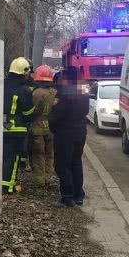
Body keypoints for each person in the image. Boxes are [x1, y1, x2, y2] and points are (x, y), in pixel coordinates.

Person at [48, 70, 89, 207]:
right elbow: (86, 111)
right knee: (76, 162)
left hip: (65, 133)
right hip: (80, 132)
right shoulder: (83, 91)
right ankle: (79, 195)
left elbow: (57, 115)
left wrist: (51, 121)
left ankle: (67, 197)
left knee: (63, 165)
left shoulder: (64, 94)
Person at [3, 57, 35, 194]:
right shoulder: (24, 90)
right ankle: (8, 186)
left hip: (2, 127)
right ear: (24, 72)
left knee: (3, 156)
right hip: (17, 129)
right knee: (14, 158)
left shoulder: (2, 84)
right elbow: (29, 112)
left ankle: (2, 182)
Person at [28, 65, 57, 186]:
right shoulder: (54, 92)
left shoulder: (36, 93)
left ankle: (40, 181)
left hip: (37, 129)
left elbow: (31, 111)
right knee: (49, 154)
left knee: (38, 155)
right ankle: (48, 178)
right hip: (51, 129)